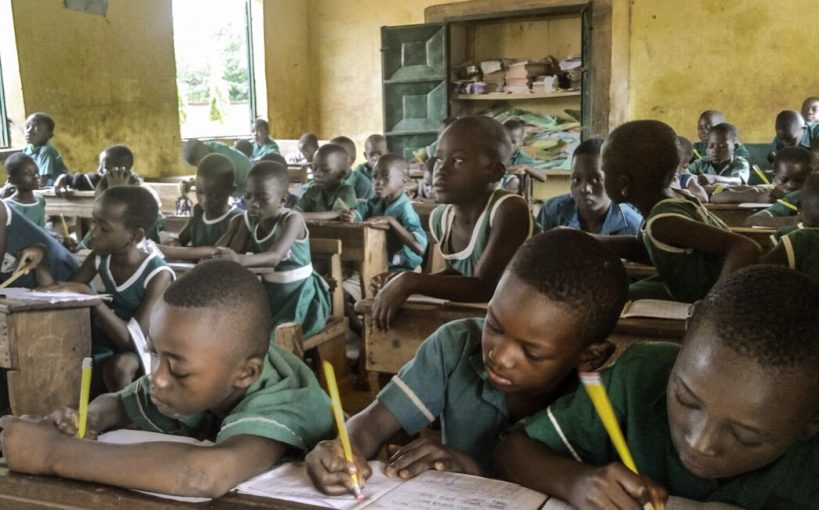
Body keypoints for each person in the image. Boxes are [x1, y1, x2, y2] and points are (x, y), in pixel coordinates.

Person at [306, 229, 629, 493]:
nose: (499, 356)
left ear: (590, 356)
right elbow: (375, 422)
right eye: (494, 325)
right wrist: (342, 449)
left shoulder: (610, 397)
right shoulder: (456, 345)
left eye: (532, 352)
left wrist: (474, 469)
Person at [0, 260, 335, 498]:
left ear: (245, 374)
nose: (157, 378)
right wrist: (88, 420)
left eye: (177, 369)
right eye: (155, 355)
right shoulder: (205, 367)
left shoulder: (284, 399)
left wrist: (51, 453)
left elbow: (207, 474)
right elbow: (118, 402)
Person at [496, 265, 819, 509]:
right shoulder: (639, 376)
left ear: (812, 421)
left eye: (744, 436)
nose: (700, 444)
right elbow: (512, 450)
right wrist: (576, 481)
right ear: (687, 331)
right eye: (686, 400)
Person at [370, 116, 536, 330]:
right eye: (439, 158)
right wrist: (400, 281)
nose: (441, 170)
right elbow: (461, 274)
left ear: (495, 172)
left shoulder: (509, 209)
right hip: (491, 319)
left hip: (531, 323)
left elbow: (485, 287)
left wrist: (411, 282)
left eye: (458, 160)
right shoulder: (441, 218)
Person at [595, 120, 759, 302]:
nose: (602, 178)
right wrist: (590, 240)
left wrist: (715, 306)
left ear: (624, 183)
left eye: (604, 172)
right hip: (687, 287)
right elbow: (645, 249)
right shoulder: (668, 202)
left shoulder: (665, 222)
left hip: (713, 295)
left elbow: (744, 247)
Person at [42, 187, 175, 392]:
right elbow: (65, 294)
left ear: (134, 235)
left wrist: (92, 298)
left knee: (120, 368)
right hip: (111, 340)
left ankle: (126, 419)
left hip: (147, 350)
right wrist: (40, 261)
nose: (92, 234)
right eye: (94, 222)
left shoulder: (158, 275)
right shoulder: (99, 257)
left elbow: (133, 340)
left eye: (104, 228)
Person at [216, 162, 330, 339]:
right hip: (270, 295)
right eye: (248, 196)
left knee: (270, 341)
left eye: (262, 198)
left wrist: (238, 259)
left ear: (283, 200)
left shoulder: (293, 220)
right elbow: (232, 253)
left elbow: (274, 257)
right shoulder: (249, 220)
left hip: (302, 298)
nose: (253, 204)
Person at [537, 139, 641, 235]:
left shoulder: (633, 226)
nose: (584, 188)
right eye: (576, 179)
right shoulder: (553, 211)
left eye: (596, 180)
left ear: (614, 181)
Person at [349, 154, 427, 272]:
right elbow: (362, 211)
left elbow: (420, 248)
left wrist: (392, 221)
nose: (378, 181)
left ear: (403, 181)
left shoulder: (405, 209)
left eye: (386, 176)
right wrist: (353, 215)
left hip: (404, 269)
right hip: (381, 264)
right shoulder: (376, 201)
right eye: (375, 176)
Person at [159, 154, 240, 261]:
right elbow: (182, 240)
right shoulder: (198, 211)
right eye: (200, 192)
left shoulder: (235, 219)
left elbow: (220, 253)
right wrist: (174, 243)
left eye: (214, 196)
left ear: (231, 190)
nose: (205, 201)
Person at [762, 172, 819, 282]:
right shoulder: (791, 237)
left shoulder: (798, 239)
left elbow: (762, 276)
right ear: (799, 208)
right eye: (813, 226)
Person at [712, 147, 812, 205]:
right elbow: (716, 197)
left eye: (800, 180)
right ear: (774, 178)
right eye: (783, 180)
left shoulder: (814, 196)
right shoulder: (768, 192)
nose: (791, 186)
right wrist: (758, 198)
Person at [294, 144, 357, 221]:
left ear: (341, 174)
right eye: (314, 169)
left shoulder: (346, 191)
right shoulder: (312, 190)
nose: (317, 174)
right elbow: (296, 209)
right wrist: (295, 214)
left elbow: (335, 213)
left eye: (325, 170)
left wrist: (300, 216)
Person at [183, 139, 252, 199]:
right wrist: (191, 183)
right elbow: (208, 176)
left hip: (248, 188)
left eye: (202, 162)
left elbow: (215, 183)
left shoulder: (220, 157)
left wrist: (194, 183)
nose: (202, 166)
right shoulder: (207, 148)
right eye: (198, 165)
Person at [499, 119, 546, 195]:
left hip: (514, 195)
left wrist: (525, 167)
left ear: (521, 142)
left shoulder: (523, 159)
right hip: (494, 190)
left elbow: (543, 178)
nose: (509, 145)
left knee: (514, 181)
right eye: (505, 141)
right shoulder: (496, 154)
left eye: (513, 142)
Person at [21, 112, 68, 186]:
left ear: (49, 135)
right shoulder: (26, 150)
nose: (29, 131)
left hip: (57, 189)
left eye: (36, 128)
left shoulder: (46, 150)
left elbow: (42, 181)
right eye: (27, 126)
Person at [3, 153, 46, 227]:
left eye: (36, 172)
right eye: (28, 174)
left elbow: (41, 231)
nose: (35, 177)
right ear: (12, 180)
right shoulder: (7, 207)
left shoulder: (40, 200)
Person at [332, 135, 373, 201]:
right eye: (329, 156)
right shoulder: (325, 180)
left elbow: (364, 209)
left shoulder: (363, 184)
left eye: (338, 156)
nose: (332, 160)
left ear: (352, 160)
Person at [671, 136, 708, 202]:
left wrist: (676, 194)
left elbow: (703, 197)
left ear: (685, 166)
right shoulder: (655, 178)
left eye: (674, 164)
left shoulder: (685, 180)